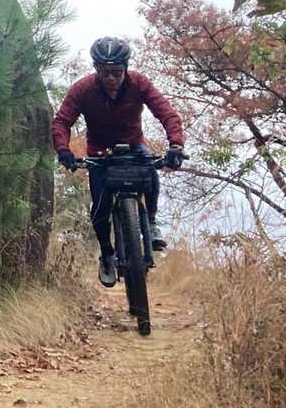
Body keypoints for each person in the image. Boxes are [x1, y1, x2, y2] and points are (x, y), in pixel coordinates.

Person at [52, 36, 186, 288]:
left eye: (116, 72)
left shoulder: (140, 83)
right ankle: (107, 254)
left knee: (150, 170)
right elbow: (62, 121)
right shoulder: (83, 89)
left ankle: (151, 223)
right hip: (99, 153)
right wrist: (63, 150)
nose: (111, 78)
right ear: (96, 69)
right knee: (100, 207)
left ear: (125, 68)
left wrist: (176, 145)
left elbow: (167, 113)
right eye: (105, 72)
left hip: (134, 146)